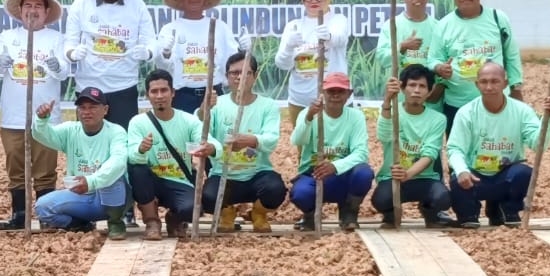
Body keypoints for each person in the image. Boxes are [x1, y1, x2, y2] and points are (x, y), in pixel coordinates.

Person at [0, 0, 69, 230]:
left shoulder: (56, 38)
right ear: (20, 10)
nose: (32, 11)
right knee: (16, 165)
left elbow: (64, 71)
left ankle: (47, 215)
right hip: (14, 116)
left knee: (45, 168)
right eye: (28, 6)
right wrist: (0, 61)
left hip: (45, 117)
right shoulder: (7, 36)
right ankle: (19, 214)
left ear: (46, 12)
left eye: (38, 6)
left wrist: (56, 66)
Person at [446, 62, 550, 229]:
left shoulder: (522, 111)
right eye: (484, 82)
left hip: (505, 175)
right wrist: (462, 170)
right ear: (477, 84)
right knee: (457, 178)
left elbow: (538, 145)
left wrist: (549, 120)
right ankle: (468, 214)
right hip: (475, 177)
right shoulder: (466, 113)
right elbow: (455, 148)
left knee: (524, 173)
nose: (489, 87)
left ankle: (508, 210)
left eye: (495, 81)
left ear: (505, 83)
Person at [196, 54, 287, 233]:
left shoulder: (267, 106)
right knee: (207, 197)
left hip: (257, 173)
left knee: (275, 189)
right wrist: (203, 110)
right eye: (234, 73)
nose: (239, 77)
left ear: (255, 75)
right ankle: (227, 213)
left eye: (246, 72)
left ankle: (258, 213)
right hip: (224, 174)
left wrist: (251, 141)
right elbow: (201, 131)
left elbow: (271, 139)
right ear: (227, 76)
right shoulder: (217, 104)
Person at [65, 0, 156, 131]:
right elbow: (69, 43)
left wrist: (147, 52)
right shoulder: (80, 5)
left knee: (124, 139)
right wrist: (73, 54)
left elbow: (152, 42)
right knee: (88, 141)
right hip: (89, 88)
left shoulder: (137, 6)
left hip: (124, 88)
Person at [430, 0, 526, 129]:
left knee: (495, 144)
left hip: (496, 102)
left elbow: (511, 55)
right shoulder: (443, 25)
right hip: (456, 104)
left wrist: (516, 88)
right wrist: (439, 68)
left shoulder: (498, 19)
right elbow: (433, 59)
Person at [31, 87, 130, 239]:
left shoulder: (116, 131)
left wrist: (91, 182)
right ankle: (80, 225)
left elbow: (118, 162)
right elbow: (43, 135)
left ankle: (115, 222)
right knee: (42, 207)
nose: (86, 112)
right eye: (82, 107)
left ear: (105, 110)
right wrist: (41, 120)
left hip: (111, 197)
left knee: (113, 177)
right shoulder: (70, 130)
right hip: (81, 195)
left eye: (93, 107)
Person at [289, 71, 374, 230]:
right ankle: (310, 214)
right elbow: (297, 140)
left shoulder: (356, 117)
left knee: (363, 173)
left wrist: (335, 166)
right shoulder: (308, 113)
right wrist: (309, 118)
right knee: (300, 194)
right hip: (314, 173)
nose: (335, 95)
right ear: (322, 92)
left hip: (343, 174)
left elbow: (361, 153)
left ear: (349, 94)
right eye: (331, 91)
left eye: (340, 91)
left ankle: (349, 211)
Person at [155, 0, 247, 113]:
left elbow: (233, 63)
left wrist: (244, 51)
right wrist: (165, 53)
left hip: (214, 94)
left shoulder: (220, 27)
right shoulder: (170, 29)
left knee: (215, 128)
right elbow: (162, 68)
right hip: (182, 96)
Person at [372, 64, 452, 227]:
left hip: (425, 178)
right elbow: (384, 136)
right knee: (381, 200)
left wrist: (408, 174)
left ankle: (429, 211)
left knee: (442, 198)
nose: (416, 90)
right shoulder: (391, 113)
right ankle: (390, 214)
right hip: (393, 178)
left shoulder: (437, 119)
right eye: (412, 85)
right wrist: (387, 101)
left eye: (422, 86)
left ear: (430, 91)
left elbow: (429, 154)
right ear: (402, 88)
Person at [127, 70, 202, 239]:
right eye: (154, 91)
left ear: (173, 92)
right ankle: (152, 221)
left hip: (179, 180)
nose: (159, 96)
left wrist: (209, 147)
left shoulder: (188, 120)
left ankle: (174, 219)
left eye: (164, 90)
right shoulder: (138, 122)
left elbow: (207, 141)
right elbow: (131, 155)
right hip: (151, 180)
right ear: (147, 95)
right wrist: (141, 149)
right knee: (137, 169)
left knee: (194, 209)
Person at [273, 0, 350, 127]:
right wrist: (289, 47)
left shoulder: (338, 20)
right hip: (300, 99)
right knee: (303, 140)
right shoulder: (293, 26)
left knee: (336, 141)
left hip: (334, 97)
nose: (314, 0)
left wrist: (328, 36)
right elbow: (282, 64)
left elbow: (340, 38)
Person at [374, 0, 443, 111]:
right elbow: (382, 58)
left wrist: (439, 87)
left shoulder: (438, 27)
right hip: (401, 100)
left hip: (430, 101)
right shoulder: (392, 25)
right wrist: (402, 47)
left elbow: (445, 60)